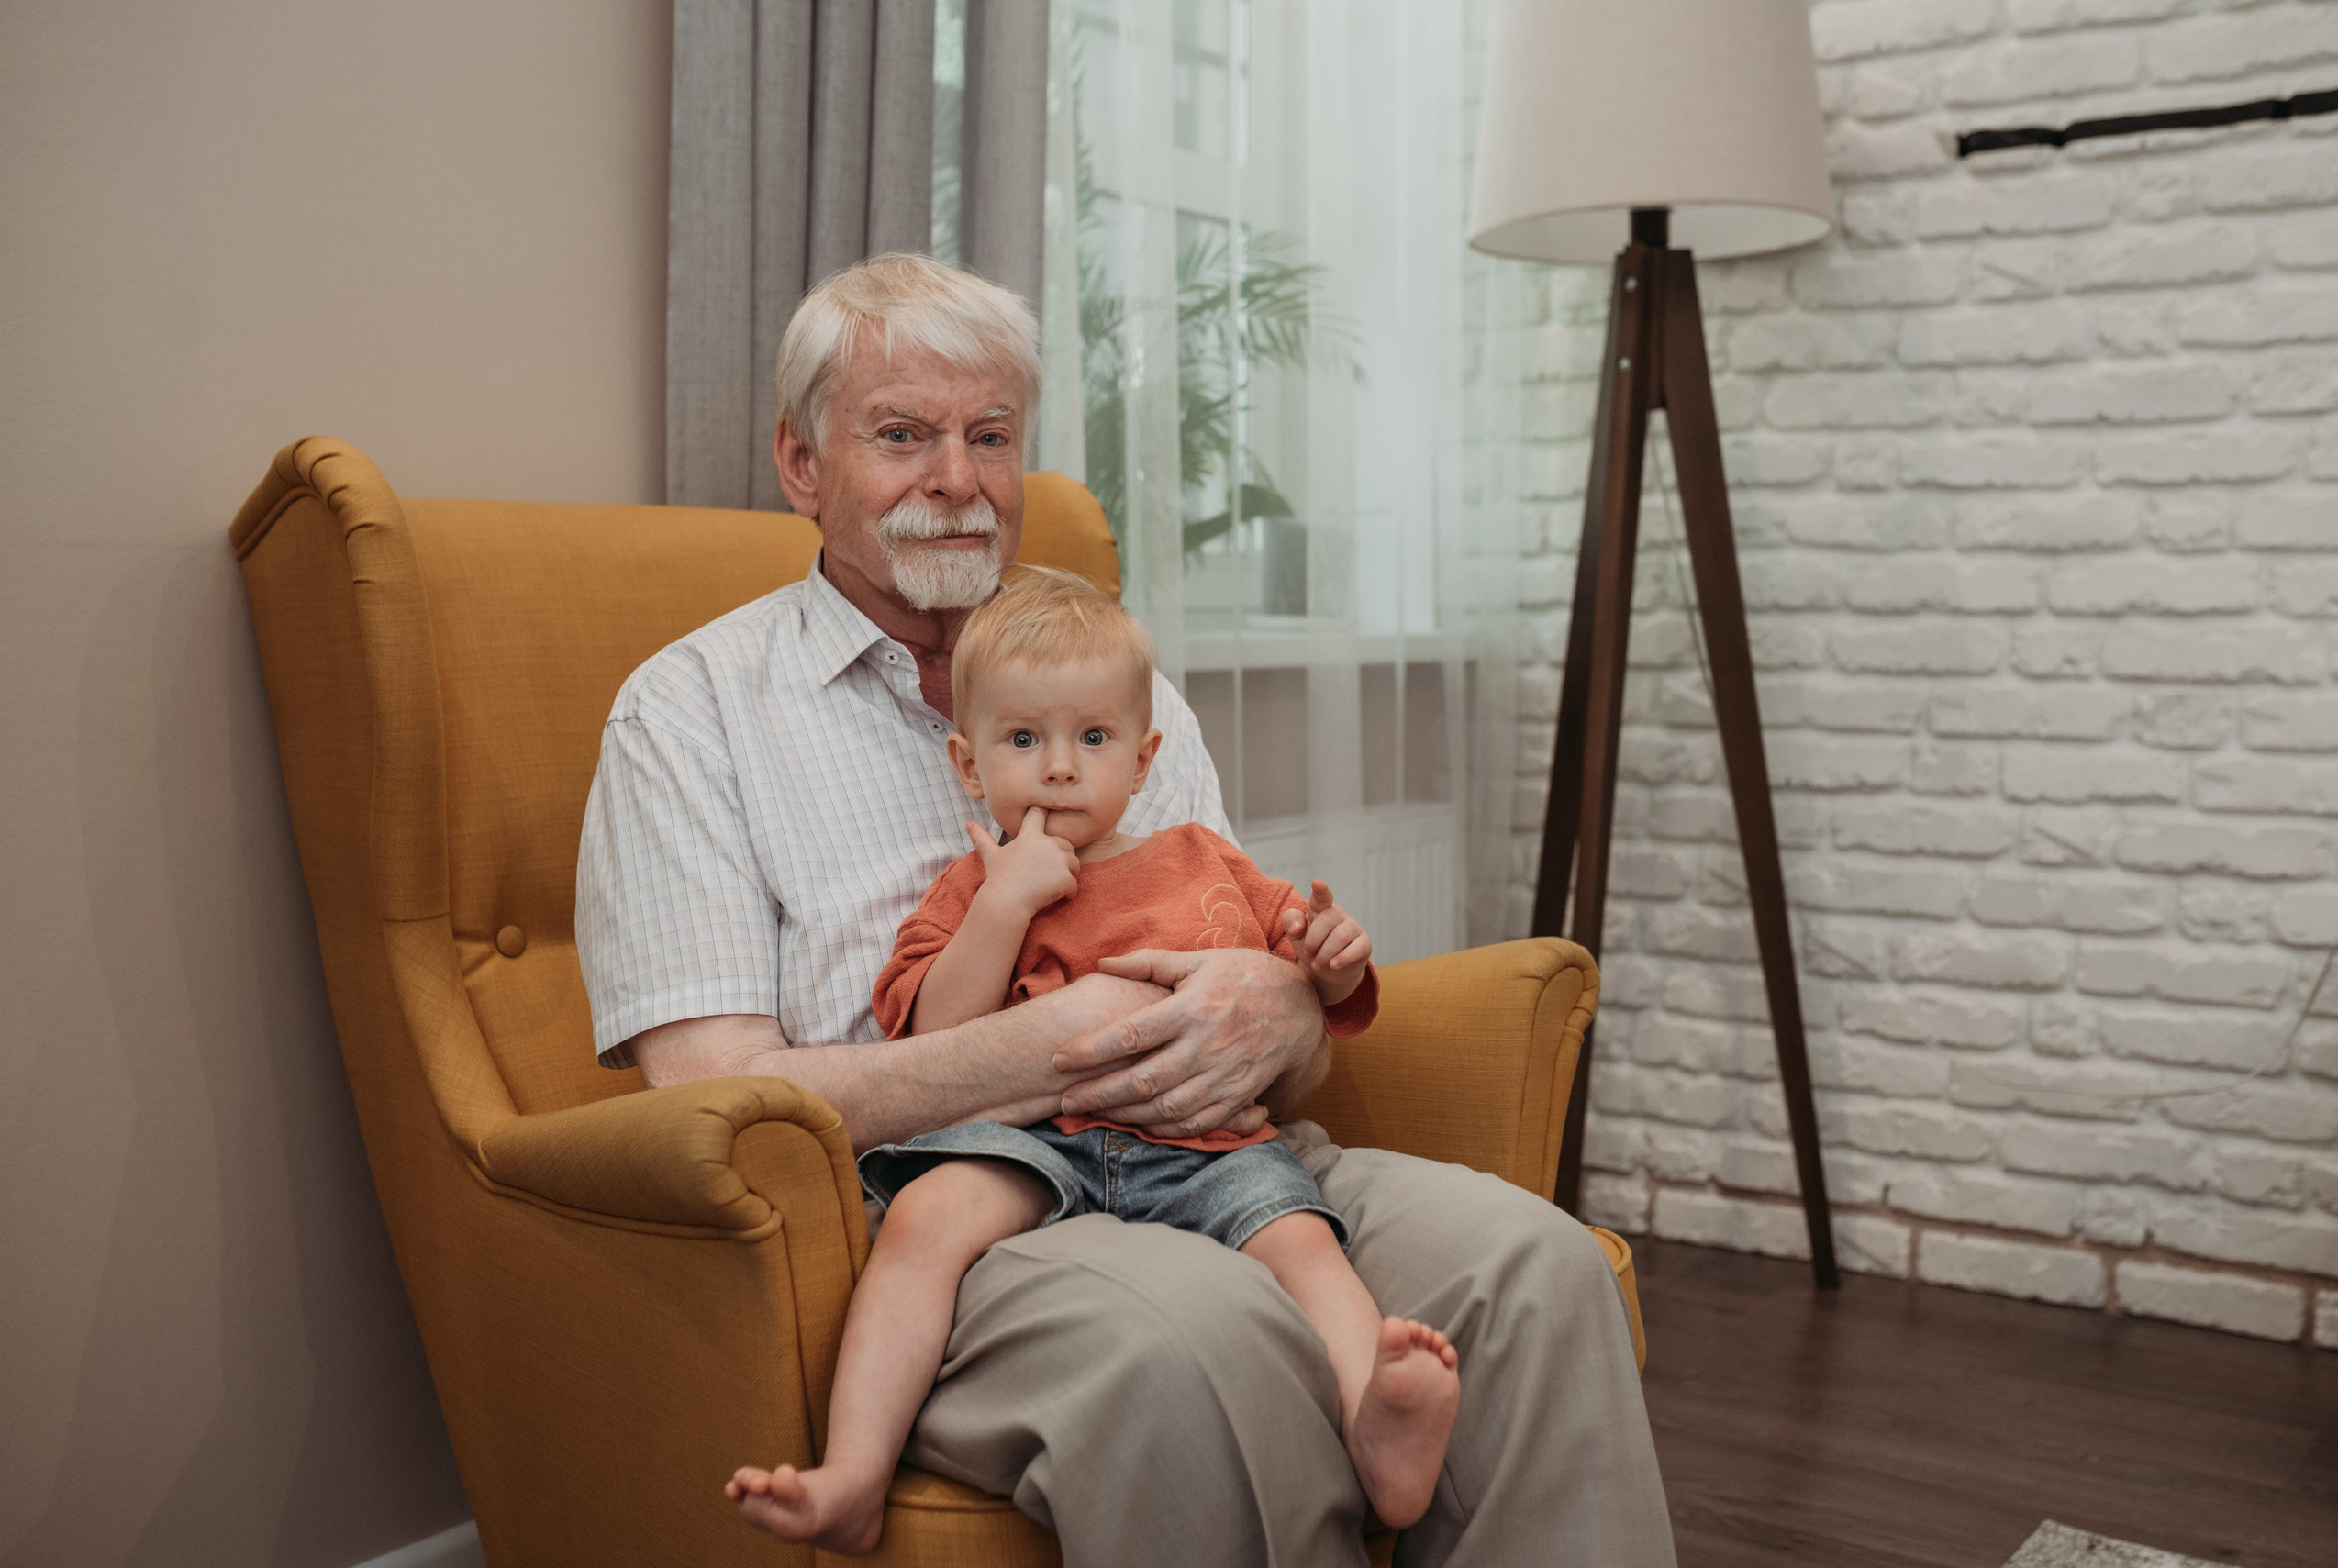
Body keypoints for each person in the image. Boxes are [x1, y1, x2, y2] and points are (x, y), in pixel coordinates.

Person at [577, 251, 1677, 1565]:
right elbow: (712, 1100)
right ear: (803, 465)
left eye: (991, 436)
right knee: (1203, 1343)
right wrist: (1060, 1045)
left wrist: (1280, 1003)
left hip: (1220, 1154)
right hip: (960, 1205)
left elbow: (1265, 976)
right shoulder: (691, 713)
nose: (955, 477)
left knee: (1538, 1273)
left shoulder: (1120, 689)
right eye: (901, 434)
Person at [724, 568, 1461, 1552]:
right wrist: (1003, 902)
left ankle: (1380, 1419)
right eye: (1023, 740)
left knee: (1302, 1244)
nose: (1060, 768)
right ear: (967, 760)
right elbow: (929, 1030)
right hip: (1035, 1143)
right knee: (926, 1217)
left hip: (1206, 1141)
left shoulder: (1203, 858)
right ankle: (855, 1469)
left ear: (1146, 757)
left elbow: (1291, 978)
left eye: (1093, 738)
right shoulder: (970, 886)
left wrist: (1330, 959)